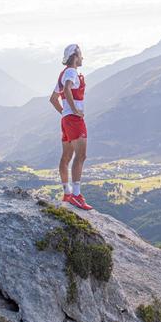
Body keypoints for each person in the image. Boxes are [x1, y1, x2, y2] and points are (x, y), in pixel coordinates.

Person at [49, 44, 93, 210]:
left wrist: (64, 113)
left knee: (66, 156)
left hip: (66, 120)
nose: (82, 58)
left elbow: (53, 99)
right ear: (75, 56)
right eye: (81, 55)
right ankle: (76, 195)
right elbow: (67, 88)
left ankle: (67, 192)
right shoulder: (71, 72)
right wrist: (74, 110)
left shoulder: (63, 73)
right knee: (81, 156)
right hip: (74, 120)